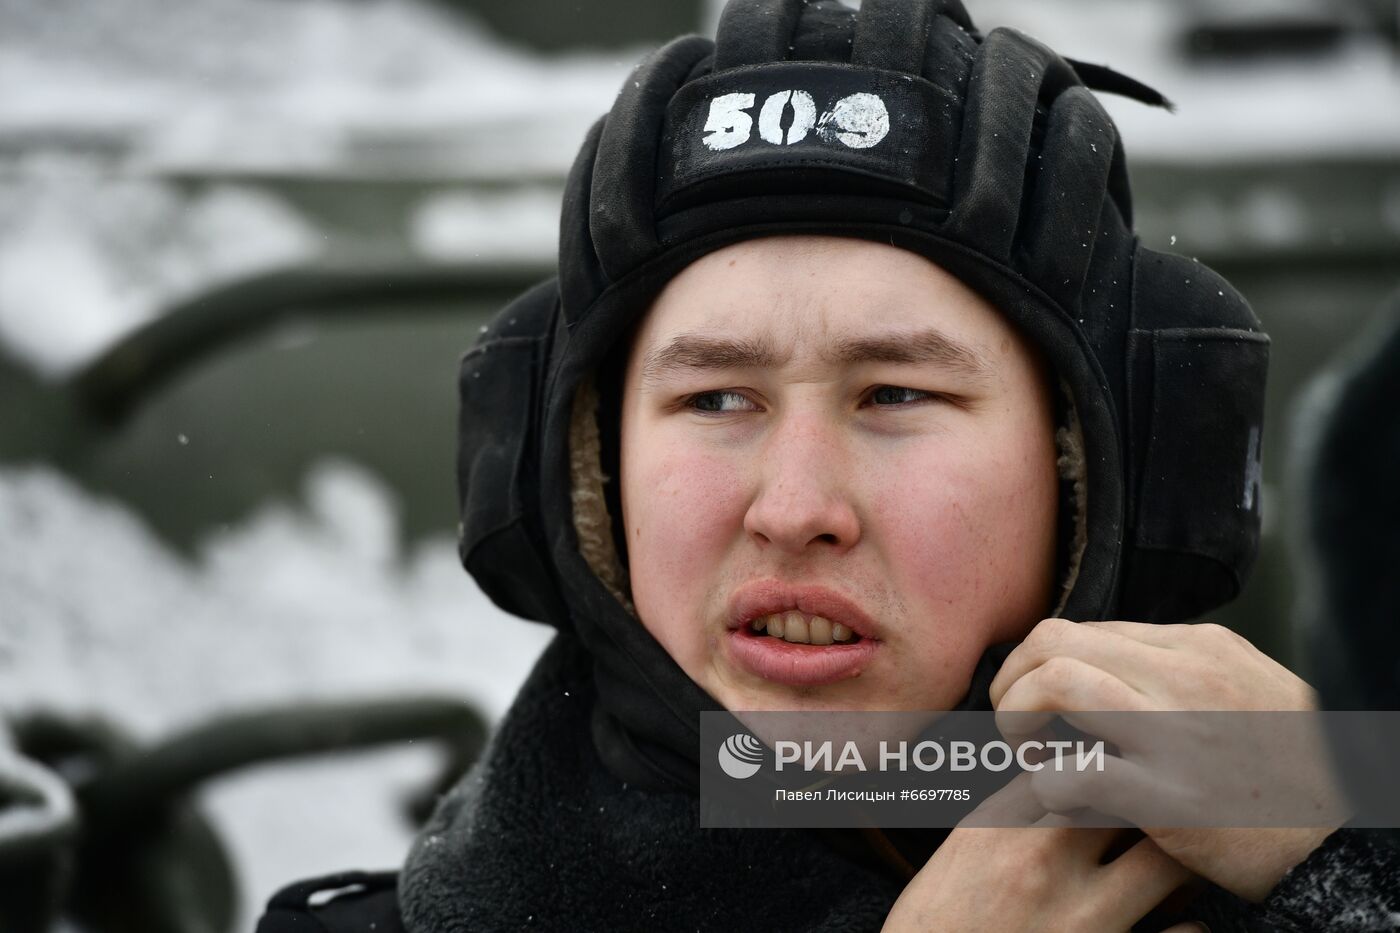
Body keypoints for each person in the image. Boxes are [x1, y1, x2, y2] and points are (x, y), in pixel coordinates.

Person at [256, 1, 1400, 930]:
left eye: (895, 394)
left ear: (1103, 476)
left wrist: (1348, 858)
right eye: (714, 398)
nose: (795, 510)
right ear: (580, 476)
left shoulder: (1329, 848)